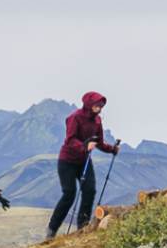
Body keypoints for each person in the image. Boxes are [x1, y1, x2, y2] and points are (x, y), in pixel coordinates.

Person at [48, 91, 120, 236]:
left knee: (90, 190)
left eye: (101, 106)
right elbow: (70, 139)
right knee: (69, 194)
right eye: (96, 105)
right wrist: (84, 146)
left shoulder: (97, 121)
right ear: (88, 104)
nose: (99, 108)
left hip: (84, 161)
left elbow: (98, 141)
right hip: (67, 161)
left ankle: (82, 226)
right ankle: (52, 230)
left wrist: (112, 149)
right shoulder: (75, 117)